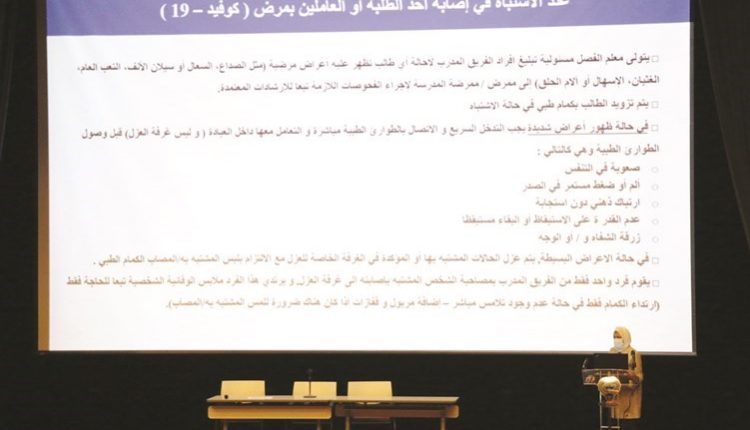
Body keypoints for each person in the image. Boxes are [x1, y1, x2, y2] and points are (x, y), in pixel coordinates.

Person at [609, 327, 643, 429]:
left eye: (619, 337)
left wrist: (632, 376)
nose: (616, 339)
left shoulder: (634, 353)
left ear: (625, 337)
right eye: (614, 337)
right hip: (616, 394)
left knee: (628, 425)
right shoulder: (611, 352)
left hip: (630, 395)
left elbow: (639, 376)